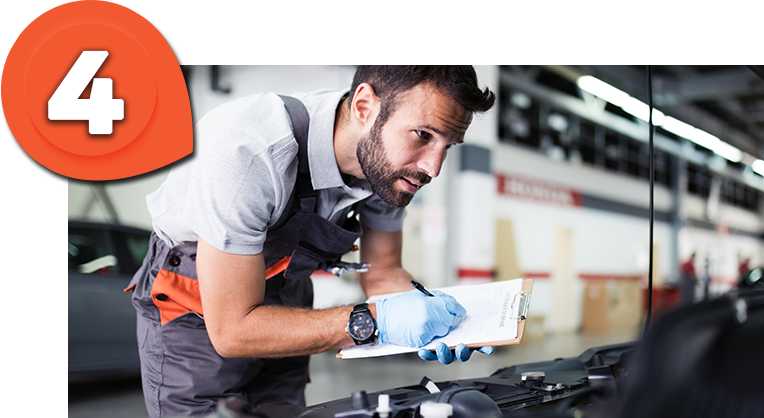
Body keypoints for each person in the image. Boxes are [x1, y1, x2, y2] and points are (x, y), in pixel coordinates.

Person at [125, 66, 496, 417]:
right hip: (196, 303)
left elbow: (383, 273)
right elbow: (232, 330)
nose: (433, 167)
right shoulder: (250, 151)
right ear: (364, 107)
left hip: (287, 292)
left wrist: (438, 320)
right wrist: (374, 321)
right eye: (423, 135)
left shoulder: (389, 168)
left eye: (448, 146)